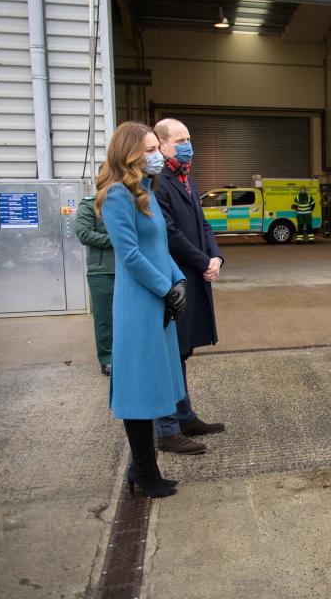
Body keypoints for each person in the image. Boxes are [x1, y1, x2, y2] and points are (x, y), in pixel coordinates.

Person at [95, 121, 187, 498]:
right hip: (139, 303)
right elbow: (130, 255)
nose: (158, 155)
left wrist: (178, 279)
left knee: (154, 383)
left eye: (156, 148)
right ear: (130, 153)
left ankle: (144, 467)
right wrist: (167, 288)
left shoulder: (146, 191)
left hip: (158, 298)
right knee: (137, 388)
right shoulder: (117, 196)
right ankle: (144, 470)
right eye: (149, 149)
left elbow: (161, 248)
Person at [152, 118, 226, 454]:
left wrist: (215, 258)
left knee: (182, 351)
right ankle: (168, 426)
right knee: (170, 353)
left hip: (193, 276)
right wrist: (201, 261)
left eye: (189, 138)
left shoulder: (186, 178)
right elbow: (170, 234)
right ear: (162, 144)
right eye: (180, 140)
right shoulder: (159, 184)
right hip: (174, 280)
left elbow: (203, 223)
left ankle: (184, 415)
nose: (188, 145)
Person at [75, 194, 115, 376]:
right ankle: (107, 359)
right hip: (102, 271)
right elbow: (84, 233)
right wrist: (117, 240)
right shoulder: (90, 204)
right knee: (104, 318)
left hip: (128, 268)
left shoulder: (128, 202)